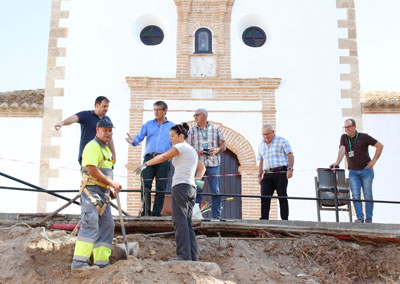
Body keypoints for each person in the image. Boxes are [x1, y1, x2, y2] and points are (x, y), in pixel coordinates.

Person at [134, 123, 206, 261]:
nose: (170, 139)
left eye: (172, 136)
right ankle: (192, 256)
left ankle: (183, 255)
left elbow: (163, 157)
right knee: (187, 222)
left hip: (181, 186)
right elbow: (202, 168)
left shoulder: (181, 147)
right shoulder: (191, 150)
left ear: (181, 136)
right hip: (190, 188)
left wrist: (145, 164)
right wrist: (196, 181)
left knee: (179, 221)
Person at [71, 119, 122, 270]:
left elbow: (105, 172)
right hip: (91, 191)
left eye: (110, 130)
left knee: (107, 226)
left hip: (103, 193)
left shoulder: (106, 149)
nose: (108, 133)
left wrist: (109, 187)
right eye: (105, 130)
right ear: (97, 130)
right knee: (90, 222)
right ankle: (79, 263)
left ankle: (101, 262)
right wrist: (112, 183)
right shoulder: (92, 146)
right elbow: (92, 170)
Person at [126, 101, 174, 216]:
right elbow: (139, 137)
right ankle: (145, 212)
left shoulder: (172, 126)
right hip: (149, 159)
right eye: (154, 109)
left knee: (161, 187)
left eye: (158, 109)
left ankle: (157, 213)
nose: (156, 112)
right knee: (145, 184)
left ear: (165, 111)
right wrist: (133, 141)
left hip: (163, 159)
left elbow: (175, 141)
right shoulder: (148, 124)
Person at [330, 118, 383, 223]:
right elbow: (342, 150)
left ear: (354, 127)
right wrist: (337, 162)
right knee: (355, 195)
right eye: (345, 128)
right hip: (353, 172)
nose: (347, 130)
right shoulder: (344, 138)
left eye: (348, 127)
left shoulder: (364, 137)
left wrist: (373, 161)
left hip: (366, 171)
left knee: (367, 194)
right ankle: (360, 218)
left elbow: (380, 146)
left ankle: (369, 219)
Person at [187, 108, 226, 220]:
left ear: (204, 116)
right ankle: (197, 215)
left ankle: (216, 216)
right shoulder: (192, 130)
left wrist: (217, 150)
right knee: (198, 190)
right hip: (199, 167)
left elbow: (223, 146)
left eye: (197, 115)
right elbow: (188, 148)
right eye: (194, 115)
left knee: (216, 190)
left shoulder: (215, 129)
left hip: (213, 165)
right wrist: (196, 151)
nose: (195, 117)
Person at [54, 96, 116, 165]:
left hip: (102, 157)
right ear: (97, 105)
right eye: (104, 106)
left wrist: (113, 154)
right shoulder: (86, 115)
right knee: (90, 175)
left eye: (107, 106)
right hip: (88, 156)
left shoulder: (107, 120)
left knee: (104, 175)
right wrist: (62, 123)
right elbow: (73, 118)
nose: (106, 109)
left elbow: (110, 138)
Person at [257, 124, 294, 220]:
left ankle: (285, 219)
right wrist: (259, 175)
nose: (265, 136)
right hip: (267, 174)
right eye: (263, 134)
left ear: (273, 132)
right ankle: (264, 218)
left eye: (267, 134)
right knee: (264, 196)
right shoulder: (261, 145)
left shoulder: (282, 141)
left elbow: (290, 155)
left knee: (282, 196)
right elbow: (261, 161)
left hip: (280, 172)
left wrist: (290, 169)